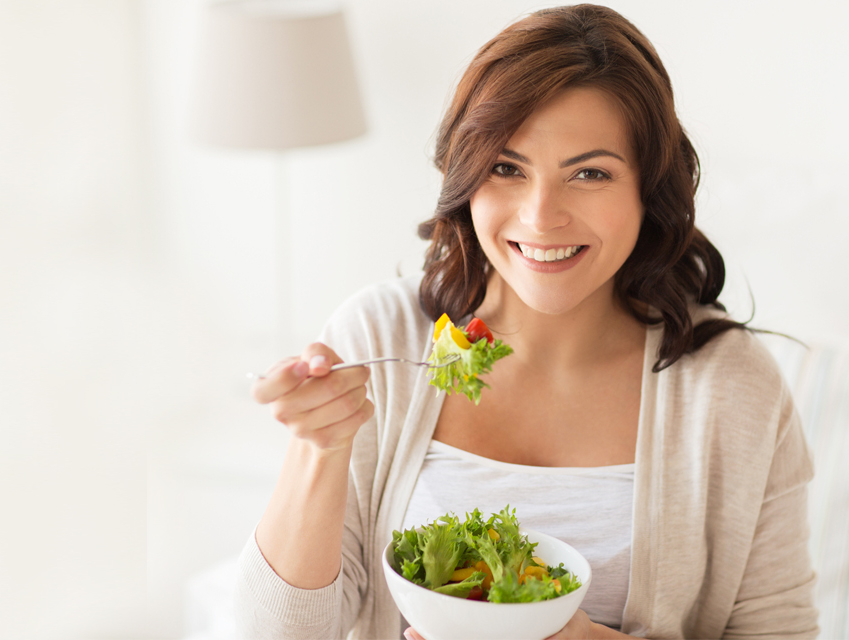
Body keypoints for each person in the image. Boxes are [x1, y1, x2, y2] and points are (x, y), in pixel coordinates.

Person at [237, 5, 817, 639]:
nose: (541, 218)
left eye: (589, 173)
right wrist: (320, 450)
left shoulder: (731, 387)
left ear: (647, 190)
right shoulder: (381, 338)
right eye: (507, 169)